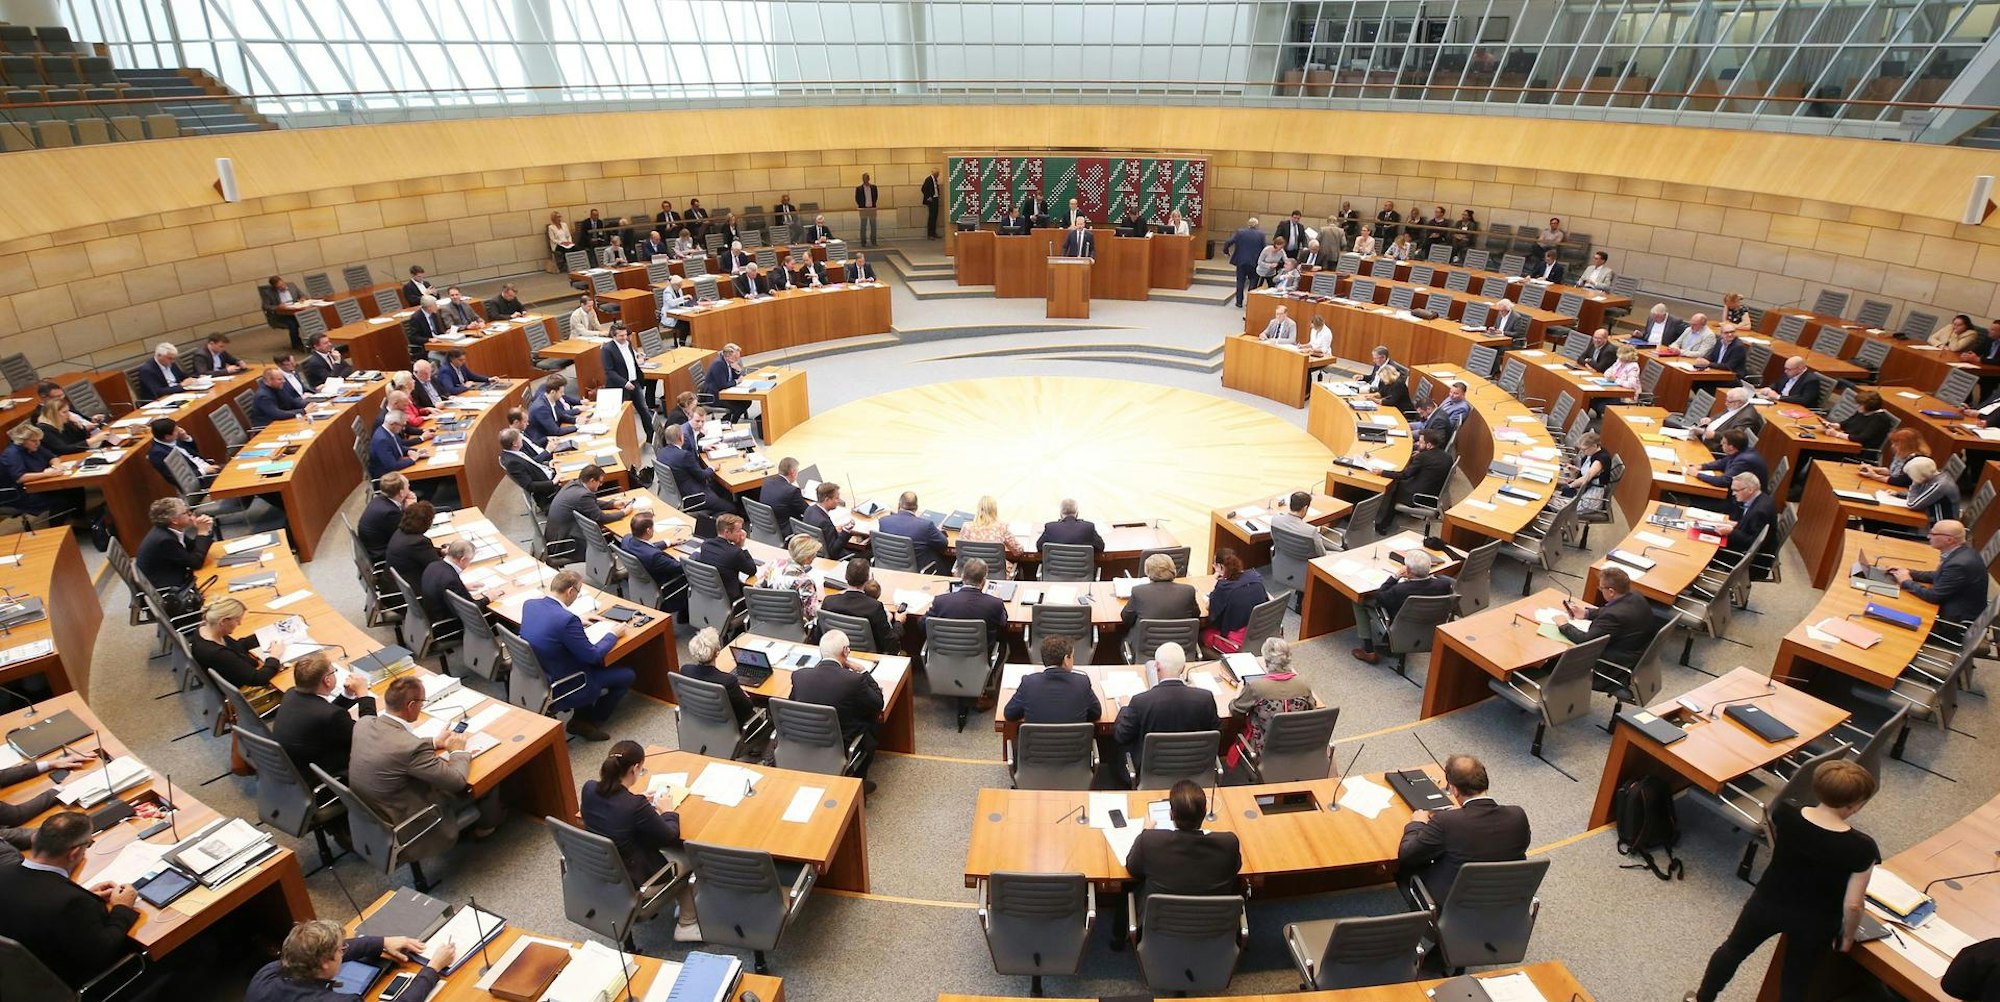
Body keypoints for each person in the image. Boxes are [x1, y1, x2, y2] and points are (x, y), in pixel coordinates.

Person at [1685, 761, 1878, 1002]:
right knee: (1796, 979)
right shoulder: (1862, 848)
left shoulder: (1786, 813)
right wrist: (1848, 937)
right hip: (1815, 921)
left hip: (1768, 902)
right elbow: (1853, 905)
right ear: (1855, 805)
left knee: (1733, 950)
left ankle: (1702, 998)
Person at [349, 675, 502, 857]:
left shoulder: (364, 724)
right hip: (413, 820)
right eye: (422, 702)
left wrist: (434, 742)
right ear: (411, 706)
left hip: (379, 813)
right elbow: (457, 782)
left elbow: (390, 746)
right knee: (486, 775)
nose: (422, 706)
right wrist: (457, 751)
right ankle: (486, 827)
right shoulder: (411, 748)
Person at [0, 811, 147, 991]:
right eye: (88, 844)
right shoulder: (70, 903)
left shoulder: (4, 874)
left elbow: (37, 902)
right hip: (83, 982)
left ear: (34, 840)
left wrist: (86, 896)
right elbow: (102, 951)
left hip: (22, 980)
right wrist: (122, 907)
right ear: (75, 853)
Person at [583, 741, 703, 942]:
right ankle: (687, 923)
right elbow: (670, 836)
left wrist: (633, 799)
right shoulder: (634, 806)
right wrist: (668, 811)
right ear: (634, 768)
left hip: (602, 871)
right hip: (638, 880)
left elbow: (610, 810)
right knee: (686, 859)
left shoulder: (589, 789)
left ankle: (681, 901)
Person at [1397, 754, 1530, 906]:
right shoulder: (1518, 815)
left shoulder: (1447, 822)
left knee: (1408, 868)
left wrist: (1417, 823)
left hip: (1455, 904)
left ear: (1454, 790)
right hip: (1505, 898)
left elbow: (1407, 854)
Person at [521, 569, 634, 740]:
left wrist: (576, 620)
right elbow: (593, 656)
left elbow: (550, 625)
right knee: (627, 675)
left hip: (542, 672)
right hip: (570, 680)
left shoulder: (530, 605)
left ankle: (582, 715)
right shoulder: (566, 620)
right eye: (578, 592)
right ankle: (590, 721)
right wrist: (612, 635)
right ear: (570, 591)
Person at [247, 919, 453, 1002]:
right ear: (325, 963)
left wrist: (382, 942)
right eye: (340, 950)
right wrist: (432, 969)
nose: (344, 950)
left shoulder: (266, 974)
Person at [789, 631, 885, 790]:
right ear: (846, 651)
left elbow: (792, 704)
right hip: (841, 740)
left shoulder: (800, 676)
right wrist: (864, 672)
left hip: (804, 736)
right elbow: (878, 703)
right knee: (872, 721)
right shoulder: (854, 680)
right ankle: (856, 784)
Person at [1112, 643, 1218, 779]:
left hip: (1150, 773)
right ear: (1183, 668)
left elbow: (1121, 735)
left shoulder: (1140, 702)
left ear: (1156, 666)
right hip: (1194, 768)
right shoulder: (1205, 698)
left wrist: (1124, 709)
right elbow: (1215, 734)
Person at [1124, 780, 1242, 901]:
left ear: (1171, 815)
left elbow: (1133, 869)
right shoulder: (1229, 843)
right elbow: (1234, 869)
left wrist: (1145, 831)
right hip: (1214, 918)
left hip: (1161, 918)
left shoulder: (1149, 841)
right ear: (1204, 813)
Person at [273, 651, 373, 781]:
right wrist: (363, 694)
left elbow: (323, 711)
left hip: (292, 767)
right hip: (321, 774)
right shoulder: (332, 716)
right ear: (327, 680)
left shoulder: (291, 694)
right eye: (333, 671)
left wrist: (347, 695)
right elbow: (370, 735)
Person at [1351, 548, 1456, 665]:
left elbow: (1379, 596)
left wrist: (1395, 577)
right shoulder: (1444, 585)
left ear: (1408, 570)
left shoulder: (1400, 590)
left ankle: (1368, 651)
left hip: (1400, 627)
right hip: (1429, 626)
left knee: (1359, 601)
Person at [1230, 638, 1316, 760]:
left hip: (1264, 748)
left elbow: (1235, 710)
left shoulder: (1256, 687)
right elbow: (1312, 711)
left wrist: (1238, 693)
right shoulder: (1304, 684)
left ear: (1266, 661)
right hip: (1297, 745)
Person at [1556, 565, 1657, 669]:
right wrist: (1586, 613)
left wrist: (1564, 625)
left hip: (1617, 660)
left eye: (1601, 588)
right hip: (1637, 648)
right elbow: (1611, 608)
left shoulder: (1612, 617)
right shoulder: (1635, 595)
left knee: (1561, 656)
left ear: (1611, 592)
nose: (1600, 590)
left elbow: (1586, 641)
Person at [1890, 519, 1987, 626]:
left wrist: (1906, 581)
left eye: (1933, 534)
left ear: (1949, 540)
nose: (1928, 537)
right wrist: (1908, 572)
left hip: (1950, 624)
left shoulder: (1959, 565)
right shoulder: (1961, 552)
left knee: (1893, 611)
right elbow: (1938, 575)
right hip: (1950, 609)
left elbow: (1933, 596)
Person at [1005, 635, 1100, 725]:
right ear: (1066, 659)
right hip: (1075, 742)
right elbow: (1096, 714)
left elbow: (1010, 714)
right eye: (1072, 656)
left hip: (1037, 742)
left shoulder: (1029, 683)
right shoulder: (1082, 682)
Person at [193, 596, 282, 690]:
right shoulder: (217, 653)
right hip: (246, 690)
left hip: (237, 676)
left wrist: (263, 636)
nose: (240, 623)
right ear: (223, 621)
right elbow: (257, 679)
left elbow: (236, 646)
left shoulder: (205, 629)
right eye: (237, 620)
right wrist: (274, 657)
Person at [926, 557, 1007, 657]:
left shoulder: (940, 601)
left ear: (962, 576)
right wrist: (997, 598)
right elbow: (1003, 625)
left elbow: (923, 624)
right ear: (984, 580)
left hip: (944, 658)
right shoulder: (994, 603)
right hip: (980, 661)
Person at [547, 465, 628, 564]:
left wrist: (612, 504)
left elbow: (589, 503)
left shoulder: (573, 484)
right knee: (613, 540)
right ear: (592, 480)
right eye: (600, 482)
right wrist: (624, 512)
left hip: (555, 537)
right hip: (566, 544)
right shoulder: (583, 495)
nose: (601, 485)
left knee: (606, 533)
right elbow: (600, 517)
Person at [1377, 428, 1453, 533]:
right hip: (1434, 492)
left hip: (1420, 497)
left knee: (1397, 486)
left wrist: (1382, 472)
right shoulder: (1447, 456)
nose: (1418, 443)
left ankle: (1383, 525)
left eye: (1421, 442)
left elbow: (1405, 475)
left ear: (1429, 445)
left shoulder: (1423, 457)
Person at [681, 626, 755, 728]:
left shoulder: (685, 670)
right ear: (718, 651)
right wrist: (744, 694)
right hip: (730, 728)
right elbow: (747, 708)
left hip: (699, 721)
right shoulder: (728, 681)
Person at [821, 557, 899, 654]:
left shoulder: (828, 602)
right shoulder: (875, 607)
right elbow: (891, 644)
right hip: (868, 656)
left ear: (845, 576)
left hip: (836, 653)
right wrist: (898, 623)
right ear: (868, 579)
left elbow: (819, 636)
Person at [0, 423, 79, 518]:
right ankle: (59, 529)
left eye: (39, 440)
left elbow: (52, 457)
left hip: (37, 485)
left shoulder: (33, 445)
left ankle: (78, 520)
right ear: (22, 441)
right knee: (61, 499)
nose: (38, 443)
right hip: (19, 494)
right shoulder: (12, 454)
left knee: (74, 489)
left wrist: (57, 466)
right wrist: (48, 474)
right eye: (34, 441)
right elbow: (20, 478)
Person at [137, 496, 214, 591]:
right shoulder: (164, 540)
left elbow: (191, 548)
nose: (191, 514)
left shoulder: (171, 530)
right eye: (186, 513)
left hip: (174, 573)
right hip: (168, 588)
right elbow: (196, 563)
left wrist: (206, 530)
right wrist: (202, 533)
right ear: (174, 520)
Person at [1203, 548, 1265, 654]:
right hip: (1259, 635)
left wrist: (1218, 583)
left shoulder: (1224, 588)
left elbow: (1211, 609)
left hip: (1234, 644)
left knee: (1201, 633)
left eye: (1214, 565)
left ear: (1221, 567)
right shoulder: (1255, 577)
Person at [1122, 551, 1199, 629]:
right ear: (1173, 569)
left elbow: (1126, 619)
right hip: (1182, 640)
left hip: (1147, 640)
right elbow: (1196, 615)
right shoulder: (1188, 591)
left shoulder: (1138, 591)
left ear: (1147, 572)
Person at [695, 514, 758, 604]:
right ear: (727, 532)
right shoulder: (735, 553)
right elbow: (752, 570)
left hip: (709, 594)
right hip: (731, 599)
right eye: (738, 531)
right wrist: (741, 546)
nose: (742, 533)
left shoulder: (706, 544)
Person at [879, 491, 950, 572]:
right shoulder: (926, 526)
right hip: (916, 570)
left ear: (899, 505)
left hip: (887, 566)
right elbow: (943, 544)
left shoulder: (884, 521)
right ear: (916, 507)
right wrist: (938, 532)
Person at [956, 495, 1023, 577]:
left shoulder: (967, 527)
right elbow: (1018, 551)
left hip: (971, 574)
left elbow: (960, 551)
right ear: (994, 510)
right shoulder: (1001, 527)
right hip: (996, 574)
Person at [420, 538, 485, 622]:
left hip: (432, 615)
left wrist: (462, 587)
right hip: (448, 624)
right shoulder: (450, 580)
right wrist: (488, 598)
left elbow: (442, 587)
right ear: (463, 560)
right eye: (470, 560)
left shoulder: (433, 565)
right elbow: (470, 610)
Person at [1713, 472, 1777, 555]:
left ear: (1750, 490)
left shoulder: (1759, 512)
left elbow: (1754, 542)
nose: (1733, 494)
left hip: (1745, 554)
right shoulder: (1761, 497)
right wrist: (1735, 524)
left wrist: (1731, 532)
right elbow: (1749, 525)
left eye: (1736, 490)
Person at [765, 533, 825, 619]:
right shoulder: (805, 581)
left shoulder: (775, 564)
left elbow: (759, 586)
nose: (815, 556)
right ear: (807, 557)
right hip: (795, 621)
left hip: (771, 614)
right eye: (814, 554)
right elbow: (812, 612)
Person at [1688, 428, 1768, 490]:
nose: (1721, 444)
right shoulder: (1740, 450)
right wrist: (1701, 467)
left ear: (1731, 447)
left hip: (1736, 501)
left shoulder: (1744, 461)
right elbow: (1723, 462)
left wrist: (1697, 474)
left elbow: (1723, 481)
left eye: (1723, 443)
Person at [356, 473, 409, 562]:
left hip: (376, 547)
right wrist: (411, 510)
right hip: (384, 555)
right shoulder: (390, 513)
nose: (409, 489)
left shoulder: (378, 500)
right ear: (401, 492)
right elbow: (407, 536)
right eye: (408, 486)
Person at [369, 409, 429, 484]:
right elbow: (392, 466)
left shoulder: (388, 431)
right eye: (402, 425)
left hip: (396, 470)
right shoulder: (382, 440)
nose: (403, 429)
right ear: (393, 424)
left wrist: (412, 451)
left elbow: (398, 447)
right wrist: (412, 459)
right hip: (388, 480)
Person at [1832, 390, 1897, 459]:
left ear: (1870, 406)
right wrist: (1834, 425)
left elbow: (1862, 438)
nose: (1857, 406)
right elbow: (1847, 423)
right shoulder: (1862, 411)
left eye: (1860, 405)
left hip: (1859, 452)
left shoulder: (1880, 419)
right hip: (1849, 444)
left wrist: (1837, 434)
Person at [803, 481, 857, 559]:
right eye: (836, 498)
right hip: (830, 559)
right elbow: (834, 552)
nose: (839, 501)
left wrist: (834, 529)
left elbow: (823, 532)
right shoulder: (824, 522)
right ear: (827, 499)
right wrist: (846, 531)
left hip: (813, 552)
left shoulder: (809, 510)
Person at [1694, 386, 1762, 447]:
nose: (1726, 403)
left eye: (1728, 401)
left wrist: (1714, 435)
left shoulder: (1747, 417)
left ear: (1739, 402)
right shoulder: (1735, 405)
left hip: (1716, 445)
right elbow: (1722, 416)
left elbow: (1735, 437)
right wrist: (1710, 419)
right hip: (1704, 436)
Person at [1565, 431, 1613, 515]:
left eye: (1584, 449)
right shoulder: (1591, 453)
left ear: (1594, 446)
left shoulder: (1600, 460)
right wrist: (1575, 471)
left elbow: (1586, 478)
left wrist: (1571, 485)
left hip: (1591, 498)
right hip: (1583, 491)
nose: (1582, 452)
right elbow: (1585, 474)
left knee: (1557, 506)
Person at [1223, 216, 1267, 308]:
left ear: (1248, 224)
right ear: (1257, 225)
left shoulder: (1240, 232)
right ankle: (1250, 302)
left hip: (1241, 261)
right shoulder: (1261, 235)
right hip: (1255, 262)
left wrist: (1226, 251)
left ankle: (1239, 302)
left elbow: (1228, 242)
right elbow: (1264, 248)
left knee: (1240, 282)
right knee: (1253, 282)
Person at [1857, 425, 1924, 485]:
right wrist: (1872, 469)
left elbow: (1900, 481)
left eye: (1896, 444)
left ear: (1907, 446)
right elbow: (1893, 473)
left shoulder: (1916, 460)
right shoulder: (1901, 453)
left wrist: (1874, 476)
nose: (1893, 446)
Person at [1900, 456, 1960, 522]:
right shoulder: (1940, 477)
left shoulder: (1940, 486)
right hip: (1931, 520)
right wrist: (1899, 494)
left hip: (1938, 527)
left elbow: (1912, 504)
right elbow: (1924, 495)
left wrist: (1915, 483)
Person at [1038, 498, 1106, 554]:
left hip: (1055, 570)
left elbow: (1039, 547)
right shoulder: (1088, 527)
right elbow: (1100, 547)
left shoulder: (1050, 528)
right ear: (1077, 513)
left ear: (1060, 514)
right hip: (1082, 569)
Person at [759, 457, 809, 528]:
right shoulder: (792, 491)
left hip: (769, 523)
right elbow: (807, 511)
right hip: (787, 527)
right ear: (792, 472)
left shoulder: (767, 481)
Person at [921, 168, 942, 239]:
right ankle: (930, 234)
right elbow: (923, 189)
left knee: (935, 216)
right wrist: (928, 197)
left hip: (935, 199)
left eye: (938, 174)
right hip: (931, 200)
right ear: (933, 173)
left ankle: (934, 233)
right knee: (931, 217)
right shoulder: (928, 179)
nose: (938, 175)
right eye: (937, 174)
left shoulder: (935, 179)